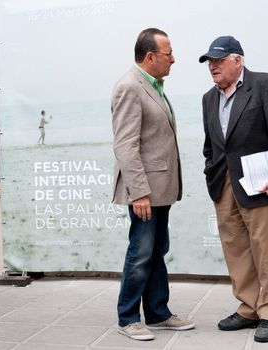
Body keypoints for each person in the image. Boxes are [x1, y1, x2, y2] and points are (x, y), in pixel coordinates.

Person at [199, 36, 268, 343]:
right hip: (223, 182)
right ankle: (249, 307)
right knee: (236, 248)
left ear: (237, 60)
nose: (213, 66)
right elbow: (211, 146)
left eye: (218, 60)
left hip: (260, 182)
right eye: (209, 62)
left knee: (267, 250)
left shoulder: (266, 84)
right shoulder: (208, 98)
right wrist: (211, 170)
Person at [111, 28, 195, 341]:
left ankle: (158, 313)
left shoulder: (154, 85)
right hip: (145, 190)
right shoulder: (129, 87)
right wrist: (140, 193)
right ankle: (128, 317)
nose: (173, 59)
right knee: (141, 251)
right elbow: (126, 145)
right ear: (150, 57)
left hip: (160, 187)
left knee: (157, 249)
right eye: (168, 54)